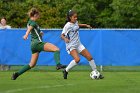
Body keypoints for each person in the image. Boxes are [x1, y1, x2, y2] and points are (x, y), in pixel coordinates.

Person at [11, 8, 66, 80]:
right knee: (56, 49)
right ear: (35, 15)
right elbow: (30, 29)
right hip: (38, 43)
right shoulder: (33, 22)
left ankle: (16, 74)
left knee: (32, 64)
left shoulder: (29, 22)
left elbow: (33, 30)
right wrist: (26, 35)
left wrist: (40, 33)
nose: (38, 17)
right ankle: (58, 65)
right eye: (38, 15)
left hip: (33, 45)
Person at [61, 10, 104, 79]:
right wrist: (65, 39)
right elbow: (62, 35)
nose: (76, 18)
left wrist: (85, 25)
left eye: (76, 17)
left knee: (90, 57)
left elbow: (77, 25)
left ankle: (96, 72)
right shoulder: (67, 26)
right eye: (74, 17)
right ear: (70, 17)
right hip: (71, 46)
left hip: (78, 44)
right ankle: (66, 70)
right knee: (77, 59)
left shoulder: (75, 22)